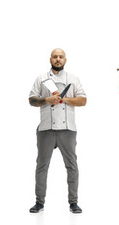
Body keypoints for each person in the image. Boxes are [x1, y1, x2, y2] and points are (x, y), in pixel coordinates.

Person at [27, 48, 87, 214]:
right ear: (50, 59)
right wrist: (47, 99)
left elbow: (83, 100)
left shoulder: (73, 79)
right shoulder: (41, 78)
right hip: (46, 128)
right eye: (55, 57)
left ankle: (73, 202)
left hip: (67, 129)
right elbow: (31, 100)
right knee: (41, 166)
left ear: (65, 60)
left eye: (61, 57)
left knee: (72, 166)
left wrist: (63, 99)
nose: (58, 59)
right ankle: (39, 202)